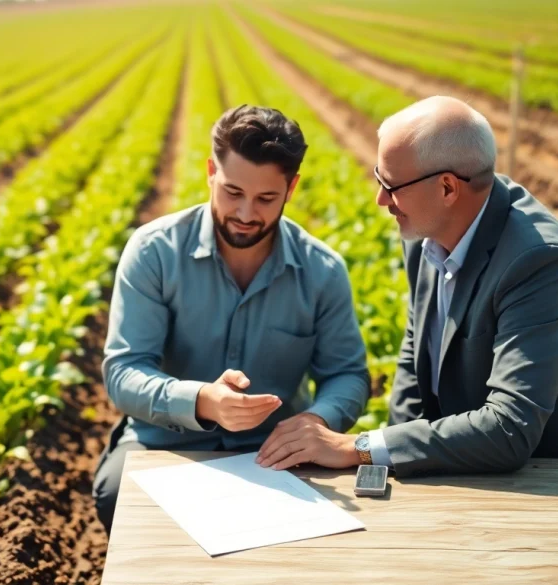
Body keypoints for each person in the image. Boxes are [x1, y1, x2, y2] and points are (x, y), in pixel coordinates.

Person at [256, 95, 558, 476]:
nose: (380, 199)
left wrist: (358, 447)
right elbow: (415, 362)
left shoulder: (540, 261)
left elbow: (510, 428)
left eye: (390, 185)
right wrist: (382, 463)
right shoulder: (427, 231)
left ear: (447, 188)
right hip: (478, 472)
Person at [92, 105, 371, 533]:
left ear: (291, 189)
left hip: (274, 450)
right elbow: (123, 372)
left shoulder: (322, 271)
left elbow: (348, 374)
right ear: (210, 172)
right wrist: (202, 399)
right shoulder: (154, 252)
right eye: (232, 191)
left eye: (265, 199)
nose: (244, 213)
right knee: (118, 496)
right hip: (168, 441)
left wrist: (317, 421)